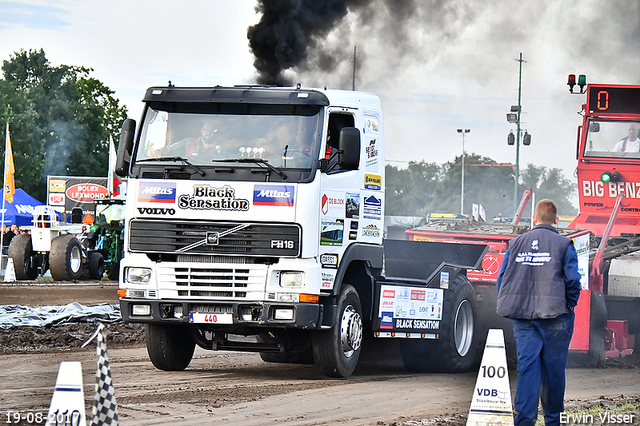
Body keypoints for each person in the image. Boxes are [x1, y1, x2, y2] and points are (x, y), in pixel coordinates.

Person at [496, 199, 581, 426]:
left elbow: (502, 278)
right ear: (556, 220)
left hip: (524, 319)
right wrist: (569, 304)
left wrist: (514, 303)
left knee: (527, 368)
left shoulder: (516, 244)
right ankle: (553, 420)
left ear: (534, 218)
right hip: (555, 317)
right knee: (553, 370)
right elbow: (573, 280)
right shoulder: (564, 244)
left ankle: (524, 420)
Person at [149, 120, 222, 159]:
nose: (208, 133)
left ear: (215, 132)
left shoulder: (221, 147)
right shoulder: (188, 142)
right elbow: (171, 148)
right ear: (201, 131)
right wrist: (157, 152)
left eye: (212, 130)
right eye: (205, 130)